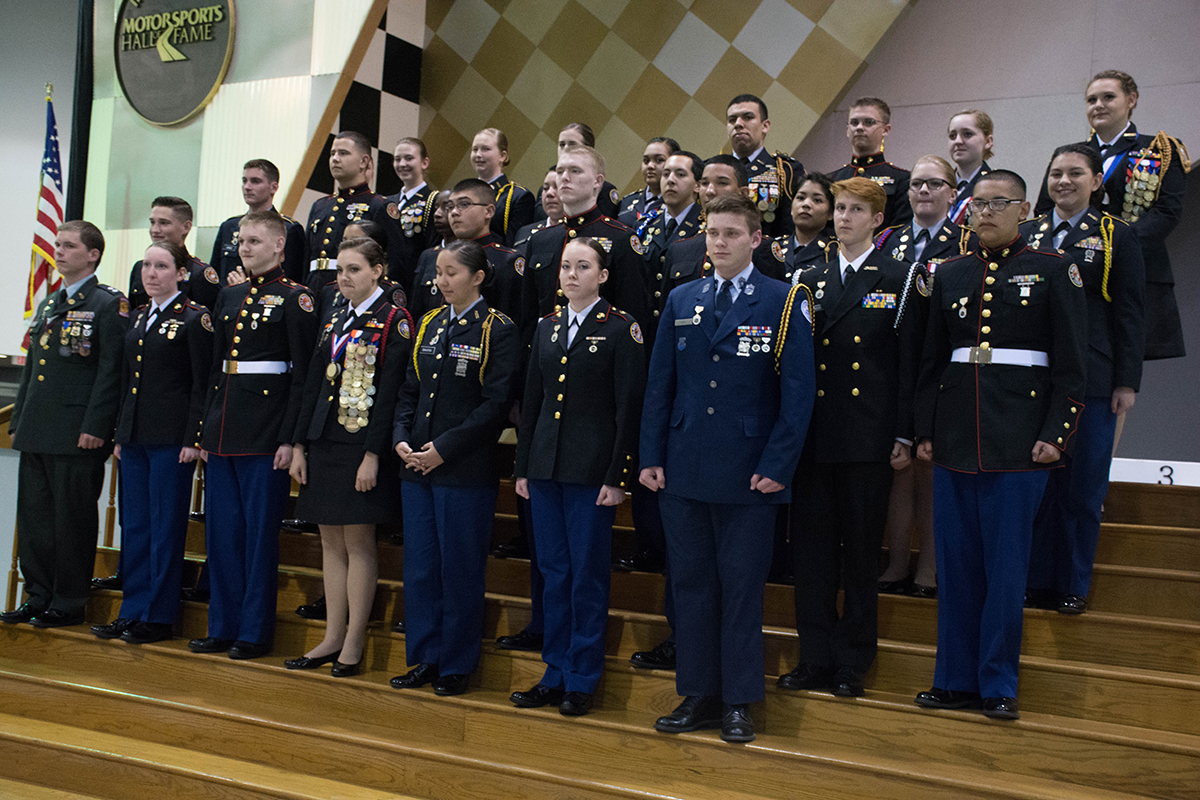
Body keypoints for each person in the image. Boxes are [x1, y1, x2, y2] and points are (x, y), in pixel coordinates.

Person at [912, 170, 1087, 720]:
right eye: (978, 205)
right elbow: (930, 363)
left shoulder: (1055, 272)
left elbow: (1072, 369)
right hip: (956, 437)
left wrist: (1055, 435)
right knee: (956, 567)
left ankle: (998, 684)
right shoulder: (949, 274)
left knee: (1006, 572)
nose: (984, 213)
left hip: (1019, 441)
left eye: (998, 203)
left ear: (1024, 209)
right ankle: (954, 679)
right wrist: (924, 431)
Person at [641, 194, 815, 744]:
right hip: (685, 466)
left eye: (731, 233)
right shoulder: (682, 297)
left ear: (755, 239)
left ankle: (739, 700)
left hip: (749, 472)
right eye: (712, 232)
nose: (718, 242)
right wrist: (650, 456)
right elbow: (659, 386)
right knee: (690, 586)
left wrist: (778, 465)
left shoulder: (784, 300)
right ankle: (697, 693)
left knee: (741, 589)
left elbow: (799, 393)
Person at [781, 177, 920, 698]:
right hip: (815, 435)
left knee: (862, 553)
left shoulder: (900, 277)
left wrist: (904, 432)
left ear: (877, 220)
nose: (843, 218)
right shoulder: (805, 275)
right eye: (839, 208)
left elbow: (907, 363)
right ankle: (813, 655)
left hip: (868, 435)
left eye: (855, 210)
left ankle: (852, 660)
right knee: (812, 555)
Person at [510, 237, 646, 717]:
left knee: (586, 576)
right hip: (545, 468)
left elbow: (628, 409)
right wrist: (523, 467)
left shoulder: (620, 329)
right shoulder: (547, 327)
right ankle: (554, 672)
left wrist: (618, 475)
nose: (570, 274)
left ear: (603, 275)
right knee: (552, 573)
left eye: (582, 266)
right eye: (565, 266)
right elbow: (534, 404)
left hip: (592, 473)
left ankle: (582, 676)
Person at [389, 240, 520, 697]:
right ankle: (425, 657)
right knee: (421, 569)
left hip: (462, 469)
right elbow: (410, 391)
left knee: (459, 569)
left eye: (451, 273)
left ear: (478, 277)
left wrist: (442, 449)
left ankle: (456, 664)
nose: (440, 281)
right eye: (438, 273)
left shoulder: (496, 329)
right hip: (417, 468)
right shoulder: (427, 323)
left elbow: (494, 405)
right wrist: (401, 439)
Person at [188, 210, 318, 660]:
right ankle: (222, 625)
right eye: (242, 241)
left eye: (255, 241)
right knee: (222, 536)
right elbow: (215, 370)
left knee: (259, 538)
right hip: (225, 431)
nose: (245, 248)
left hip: (266, 436)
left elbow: (302, 376)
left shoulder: (295, 299)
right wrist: (205, 428)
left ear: (280, 245)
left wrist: (290, 438)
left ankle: (253, 632)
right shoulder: (230, 296)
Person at [1024, 143, 1145, 614]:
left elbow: (1131, 312)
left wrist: (1126, 381)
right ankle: (1035, 579)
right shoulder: (1029, 232)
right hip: (1033, 378)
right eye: (1055, 173)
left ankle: (1072, 584)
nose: (1063, 182)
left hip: (1094, 379)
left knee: (1082, 486)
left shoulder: (1116, 235)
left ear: (1096, 181)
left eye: (1076, 173)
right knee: (1037, 486)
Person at [286, 237, 413, 676]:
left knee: (358, 542)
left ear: (378, 270)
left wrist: (373, 455)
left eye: (355, 269)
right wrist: (301, 443)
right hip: (324, 441)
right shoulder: (335, 313)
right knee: (329, 541)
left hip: (360, 446)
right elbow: (314, 385)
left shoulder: (393, 320)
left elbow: (391, 395)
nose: (344, 278)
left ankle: (355, 637)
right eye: (340, 270)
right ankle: (332, 634)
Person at [2, 221, 129, 628]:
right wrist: (19, 419)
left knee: (70, 520)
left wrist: (97, 425)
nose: (58, 251)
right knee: (35, 520)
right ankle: (37, 595)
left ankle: (69, 601)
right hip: (38, 428)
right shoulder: (50, 303)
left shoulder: (108, 303)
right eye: (57, 244)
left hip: (78, 432)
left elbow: (112, 371)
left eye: (68, 246)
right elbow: (34, 370)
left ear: (92, 255)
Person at [91, 240, 213, 644]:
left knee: (165, 527)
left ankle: (159, 616)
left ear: (181, 273)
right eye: (146, 265)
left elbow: (201, 383)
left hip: (171, 440)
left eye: (161, 266)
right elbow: (130, 382)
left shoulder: (194, 318)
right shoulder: (139, 316)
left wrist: (194, 438)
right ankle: (133, 609)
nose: (151, 273)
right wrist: (121, 434)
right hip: (136, 438)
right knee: (136, 525)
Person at [1036, 69, 1188, 363]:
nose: (1098, 105)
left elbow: (1167, 211)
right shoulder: (1069, 157)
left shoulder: (1157, 149)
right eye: (1091, 99)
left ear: (1131, 100)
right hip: (1075, 268)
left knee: (1123, 363)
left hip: (1134, 268)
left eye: (1108, 97)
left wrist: (1117, 249)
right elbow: (1046, 209)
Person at [874, 155, 975, 598]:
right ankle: (895, 563)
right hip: (889, 368)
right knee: (897, 470)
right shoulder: (886, 240)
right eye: (916, 184)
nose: (923, 192)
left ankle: (929, 570)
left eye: (934, 184)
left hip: (942, 369)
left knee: (930, 469)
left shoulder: (967, 242)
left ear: (953, 194)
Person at [521, 145, 650, 336]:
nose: (564, 177)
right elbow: (528, 315)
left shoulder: (620, 238)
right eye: (560, 171)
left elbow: (633, 313)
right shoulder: (540, 239)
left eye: (575, 171)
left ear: (597, 181)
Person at [658, 154, 782, 308]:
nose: (710, 191)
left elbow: (777, 306)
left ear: (743, 193)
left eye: (722, 183)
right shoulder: (679, 249)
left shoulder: (760, 247)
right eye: (704, 183)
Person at [409, 179, 523, 323]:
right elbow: (417, 315)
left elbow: (514, 321)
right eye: (450, 207)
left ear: (489, 211)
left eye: (464, 205)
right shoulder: (431, 256)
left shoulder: (506, 260)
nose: (454, 212)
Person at [303, 131, 388, 296]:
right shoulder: (320, 206)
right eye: (332, 153)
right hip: (314, 288)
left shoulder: (378, 205)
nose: (335, 159)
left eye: (343, 153)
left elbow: (391, 260)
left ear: (364, 161)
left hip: (352, 292)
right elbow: (307, 258)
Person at [211, 159, 306, 283]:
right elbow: (216, 275)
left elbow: (293, 278)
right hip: (228, 299)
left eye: (255, 181)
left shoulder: (288, 229)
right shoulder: (229, 227)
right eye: (244, 181)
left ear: (274, 187)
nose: (247, 187)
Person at [726, 94, 803, 240]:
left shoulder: (785, 171)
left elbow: (790, 227)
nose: (738, 124)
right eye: (732, 120)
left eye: (748, 117)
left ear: (765, 126)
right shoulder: (710, 168)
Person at [828, 97, 911, 230]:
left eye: (868, 122)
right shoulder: (831, 180)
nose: (860, 127)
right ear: (847, 129)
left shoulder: (902, 180)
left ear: (886, 129)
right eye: (854, 122)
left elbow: (900, 229)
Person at [128, 196, 221, 312]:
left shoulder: (198, 273)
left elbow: (208, 322)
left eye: (164, 223)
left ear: (186, 227)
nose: (155, 230)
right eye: (152, 222)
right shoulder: (139, 268)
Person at [634, 150, 703, 293]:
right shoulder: (644, 225)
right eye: (665, 174)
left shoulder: (706, 228)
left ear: (698, 185)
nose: (670, 180)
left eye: (680, 174)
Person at [380, 137, 437, 293]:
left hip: (415, 281)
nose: (402, 164)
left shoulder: (433, 200)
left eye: (409, 158)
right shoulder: (386, 202)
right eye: (397, 159)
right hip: (384, 281)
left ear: (424, 163)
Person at [536, 123, 620, 221]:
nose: (566, 148)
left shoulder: (603, 189)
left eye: (572, 144)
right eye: (562, 144)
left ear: (588, 149)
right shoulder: (547, 186)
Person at [471, 127, 534, 246]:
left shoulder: (518, 197)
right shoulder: (463, 193)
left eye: (486, 149)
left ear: (502, 156)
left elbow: (514, 246)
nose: (478, 154)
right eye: (475, 149)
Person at [779, 173, 837, 283]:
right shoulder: (774, 248)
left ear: (830, 213)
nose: (806, 204)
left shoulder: (836, 251)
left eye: (817, 200)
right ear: (791, 208)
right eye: (800, 198)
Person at [947, 111, 994, 225]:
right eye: (952, 136)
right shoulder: (939, 185)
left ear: (988, 141)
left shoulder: (995, 185)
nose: (958, 141)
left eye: (967, 134)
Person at [619, 137, 680, 225]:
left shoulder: (678, 205)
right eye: (646, 161)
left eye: (659, 160)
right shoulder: (627, 201)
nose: (650, 166)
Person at [513, 168, 562, 251]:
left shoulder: (580, 233)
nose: (549, 193)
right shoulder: (524, 232)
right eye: (545, 188)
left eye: (557, 187)